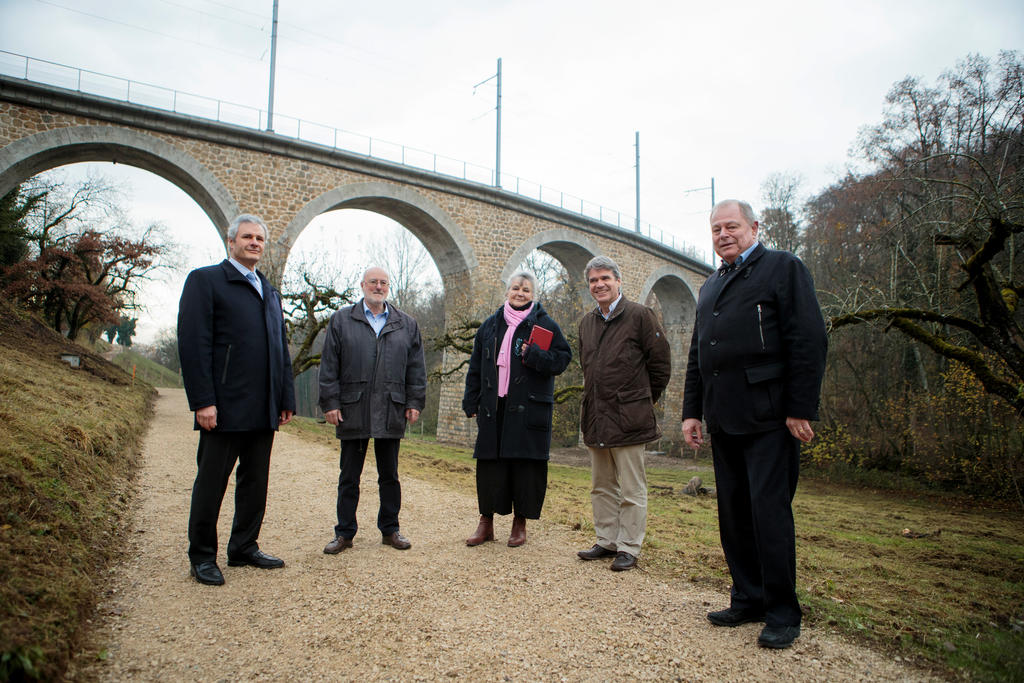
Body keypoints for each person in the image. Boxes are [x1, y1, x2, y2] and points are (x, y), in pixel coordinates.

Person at [682, 199, 827, 649]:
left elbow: (809, 337)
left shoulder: (782, 268)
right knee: (734, 515)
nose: (723, 234)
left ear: (753, 227)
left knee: (770, 515)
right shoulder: (710, 285)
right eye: (716, 229)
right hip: (724, 418)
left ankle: (783, 611)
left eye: (732, 226)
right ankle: (748, 597)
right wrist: (692, 411)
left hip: (769, 417)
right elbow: (697, 354)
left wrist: (800, 406)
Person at [177, 213, 296, 586]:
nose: (254, 243)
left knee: (254, 482)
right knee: (212, 482)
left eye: (260, 238)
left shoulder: (269, 290)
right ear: (231, 242)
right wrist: (202, 401)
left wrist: (285, 397)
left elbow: (280, 348)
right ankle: (202, 557)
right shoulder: (206, 281)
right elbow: (193, 344)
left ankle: (244, 547)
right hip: (223, 405)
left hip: (263, 407)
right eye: (247, 237)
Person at [319, 267, 426, 554]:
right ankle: (344, 533)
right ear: (363, 285)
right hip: (354, 407)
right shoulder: (342, 320)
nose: (378, 286)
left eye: (383, 283)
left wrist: (415, 402)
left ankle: (390, 530)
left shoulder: (407, 324)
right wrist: (330, 402)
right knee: (349, 476)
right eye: (373, 282)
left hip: (392, 407)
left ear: (388, 288)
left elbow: (416, 368)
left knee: (389, 475)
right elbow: (329, 365)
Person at [461, 271, 572, 547]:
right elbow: (476, 366)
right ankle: (485, 523)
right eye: (515, 288)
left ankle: (519, 524)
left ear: (533, 294)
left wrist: (533, 355)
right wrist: (470, 398)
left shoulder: (546, 325)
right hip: (493, 406)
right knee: (489, 466)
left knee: (524, 467)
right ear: (507, 291)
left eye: (525, 289)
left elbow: (562, 359)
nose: (520, 293)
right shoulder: (489, 325)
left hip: (527, 409)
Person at [576, 256, 671, 571]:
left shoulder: (640, 316)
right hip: (597, 416)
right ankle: (607, 540)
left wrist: (642, 400)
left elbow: (660, 365)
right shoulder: (586, 323)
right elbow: (587, 368)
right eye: (593, 280)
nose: (599, 284)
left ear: (618, 281)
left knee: (632, 487)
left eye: (605, 278)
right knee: (601, 485)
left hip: (630, 418)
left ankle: (629, 546)